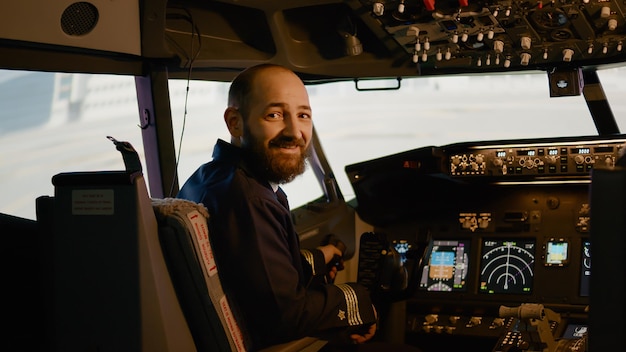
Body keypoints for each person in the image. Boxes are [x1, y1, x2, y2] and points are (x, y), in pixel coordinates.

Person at [177, 64, 378, 350]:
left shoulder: (212, 176)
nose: (294, 131)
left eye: (303, 115)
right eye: (274, 115)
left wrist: (319, 258)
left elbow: (253, 271)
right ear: (235, 122)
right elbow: (287, 315)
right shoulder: (250, 198)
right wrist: (361, 302)